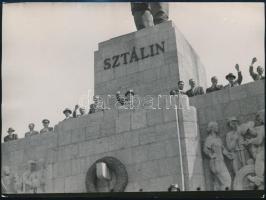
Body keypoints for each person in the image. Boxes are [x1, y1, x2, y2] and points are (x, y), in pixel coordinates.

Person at [203, 121, 232, 191]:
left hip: (221, 161)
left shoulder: (218, 139)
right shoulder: (209, 139)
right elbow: (205, 149)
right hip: (216, 162)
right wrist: (211, 155)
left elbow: (223, 149)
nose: (218, 128)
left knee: (219, 183)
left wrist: (229, 154)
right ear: (212, 128)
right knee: (227, 180)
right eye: (216, 126)